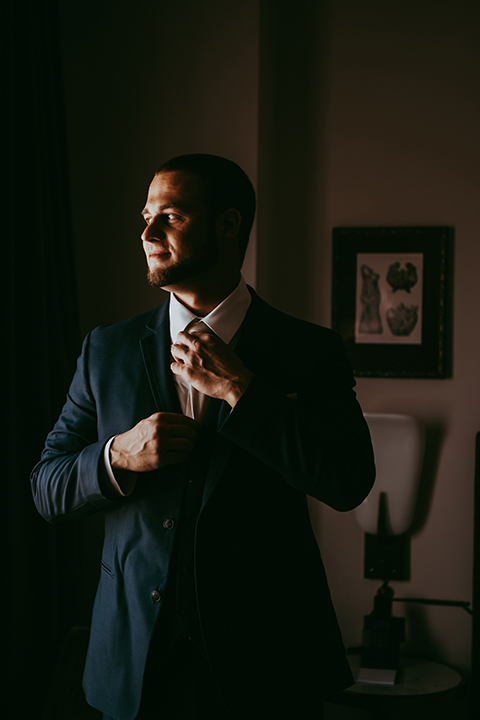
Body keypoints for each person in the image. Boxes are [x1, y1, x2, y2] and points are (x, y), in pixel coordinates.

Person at [31, 154, 375, 720]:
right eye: (145, 216)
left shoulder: (308, 351)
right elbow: (46, 486)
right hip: (135, 664)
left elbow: (348, 480)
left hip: (266, 668)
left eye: (171, 215)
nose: (147, 233)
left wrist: (244, 391)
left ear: (228, 224)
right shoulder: (106, 350)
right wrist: (119, 455)